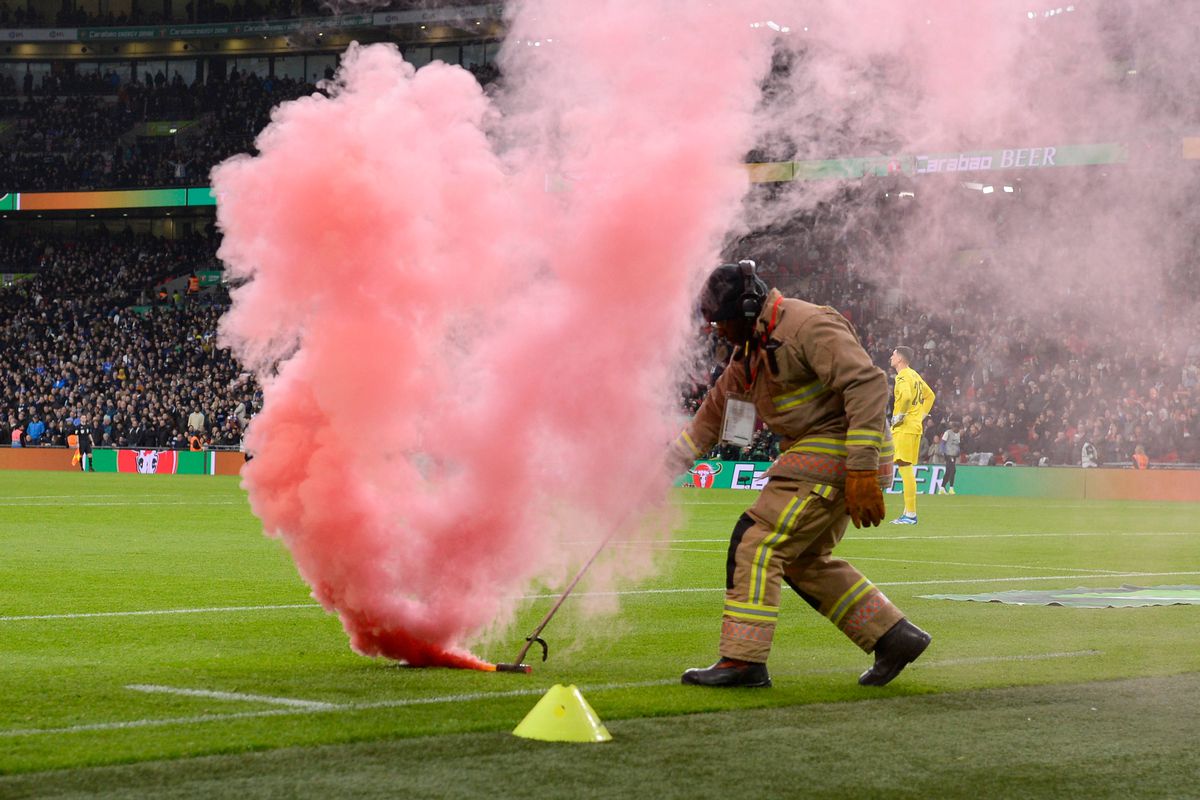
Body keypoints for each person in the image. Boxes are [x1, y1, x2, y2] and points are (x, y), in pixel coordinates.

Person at [674, 262, 931, 689]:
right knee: (800, 559)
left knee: (755, 540)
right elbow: (706, 424)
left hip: (842, 447)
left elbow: (867, 384)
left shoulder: (807, 324)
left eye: (721, 322)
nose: (716, 333)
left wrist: (862, 470)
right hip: (820, 453)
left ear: (749, 306)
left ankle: (742, 662)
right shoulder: (748, 356)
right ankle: (893, 636)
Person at [889, 346, 935, 524]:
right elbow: (930, 395)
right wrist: (921, 416)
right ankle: (908, 513)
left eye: (893, 354)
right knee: (904, 468)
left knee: (905, 468)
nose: (891, 357)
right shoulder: (914, 375)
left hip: (905, 428)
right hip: (914, 427)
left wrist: (899, 416)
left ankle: (910, 514)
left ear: (900, 358)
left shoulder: (902, 376)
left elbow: (907, 397)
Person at [940, 419, 962, 494]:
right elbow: (942, 443)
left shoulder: (958, 434)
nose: (957, 430)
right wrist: (944, 452)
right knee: (953, 470)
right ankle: (951, 488)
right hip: (948, 454)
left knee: (948, 471)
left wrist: (958, 451)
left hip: (954, 455)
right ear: (953, 427)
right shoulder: (947, 433)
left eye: (958, 428)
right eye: (956, 428)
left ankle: (942, 488)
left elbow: (957, 444)